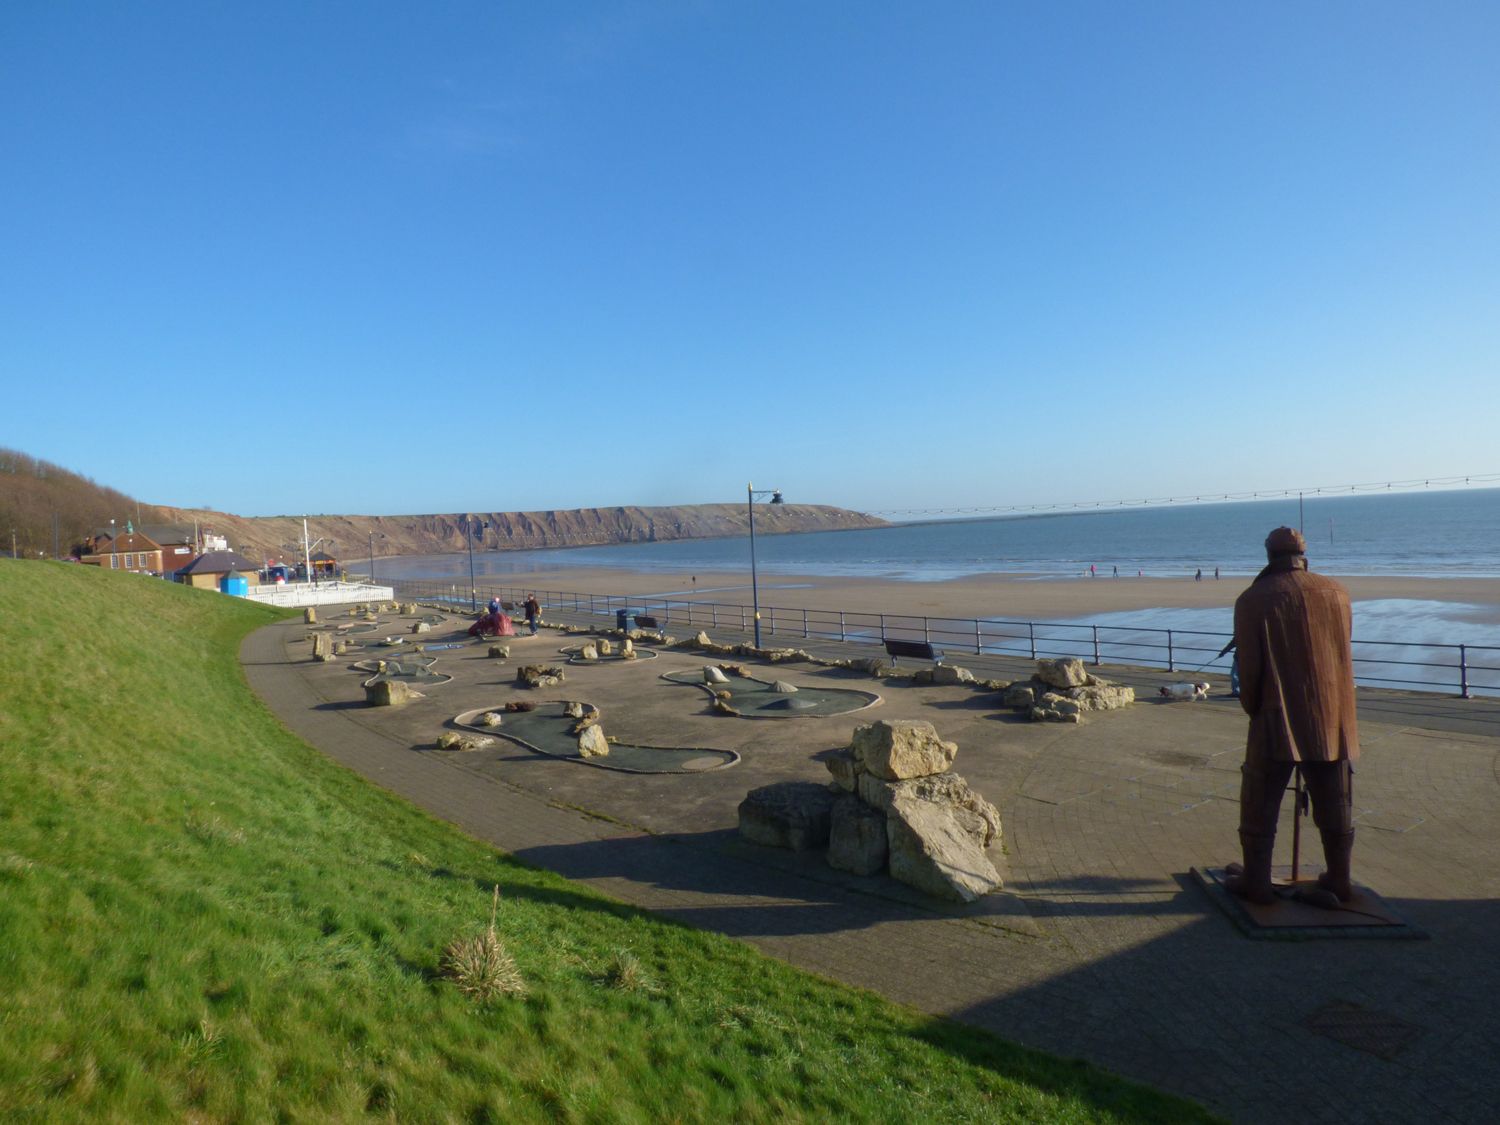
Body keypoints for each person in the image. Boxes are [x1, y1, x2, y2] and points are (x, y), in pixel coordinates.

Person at [1225, 527, 1360, 905]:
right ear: (1304, 554)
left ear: (1270, 555)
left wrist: (1253, 707)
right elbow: (1342, 652)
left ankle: (1257, 881)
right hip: (1333, 715)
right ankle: (1339, 878)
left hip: (1276, 713)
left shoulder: (1253, 599)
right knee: (1336, 799)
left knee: (1259, 797)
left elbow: (1249, 671)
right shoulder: (1338, 592)